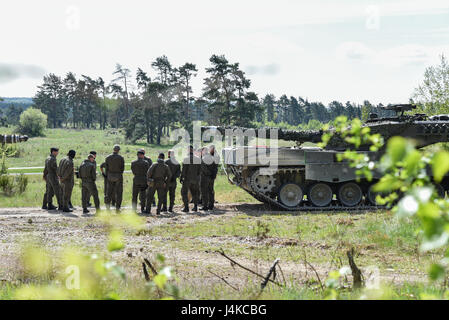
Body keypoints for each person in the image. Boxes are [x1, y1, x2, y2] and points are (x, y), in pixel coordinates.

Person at [103, 145, 125, 212]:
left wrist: (107, 176)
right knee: (119, 193)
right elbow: (122, 169)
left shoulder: (108, 157)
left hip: (110, 176)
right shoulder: (121, 158)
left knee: (108, 193)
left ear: (113, 149)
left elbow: (106, 168)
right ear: (118, 150)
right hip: (118, 176)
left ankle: (107, 208)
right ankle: (117, 209)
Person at [181, 146, 201, 213]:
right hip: (195, 179)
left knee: (184, 193)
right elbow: (199, 171)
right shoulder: (198, 159)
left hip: (187, 179)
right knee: (195, 193)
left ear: (188, 150)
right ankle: (195, 207)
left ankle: (186, 207)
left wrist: (181, 177)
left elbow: (184, 170)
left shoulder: (186, 159)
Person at [200, 145, 220, 211]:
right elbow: (215, 167)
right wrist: (213, 175)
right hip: (211, 177)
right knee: (211, 191)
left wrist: (208, 174)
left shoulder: (204, 158)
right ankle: (211, 205)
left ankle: (205, 206)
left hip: (205, 177)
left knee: (204, 191)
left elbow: (203, 168)